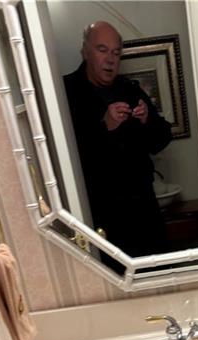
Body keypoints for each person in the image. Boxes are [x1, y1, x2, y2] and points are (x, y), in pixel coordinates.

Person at [63, 21, 172, 272]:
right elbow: (66, 156)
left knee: (159, 274)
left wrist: (147, 121)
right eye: (102, 50)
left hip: (145, 207)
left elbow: (161, 139)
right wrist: (104, 126)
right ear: (85, 51)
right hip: (101, 212)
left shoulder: (129, 89)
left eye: (116, 52)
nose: (111, 59)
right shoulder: (66, 92)